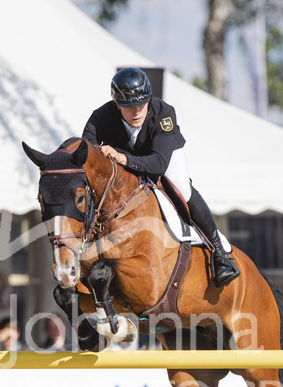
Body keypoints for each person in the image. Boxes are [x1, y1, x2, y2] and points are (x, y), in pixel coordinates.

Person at [82, 67, 240, 288]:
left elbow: (157, 164)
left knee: (182, 188)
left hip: (162, 156)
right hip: (125, 160)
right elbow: (85, 158)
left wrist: (123, 158)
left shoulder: (164, 113)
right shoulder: (100, 117)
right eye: (129, 107)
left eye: (141, 105)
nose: (137, 112)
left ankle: (220, 254)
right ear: (117, 105)